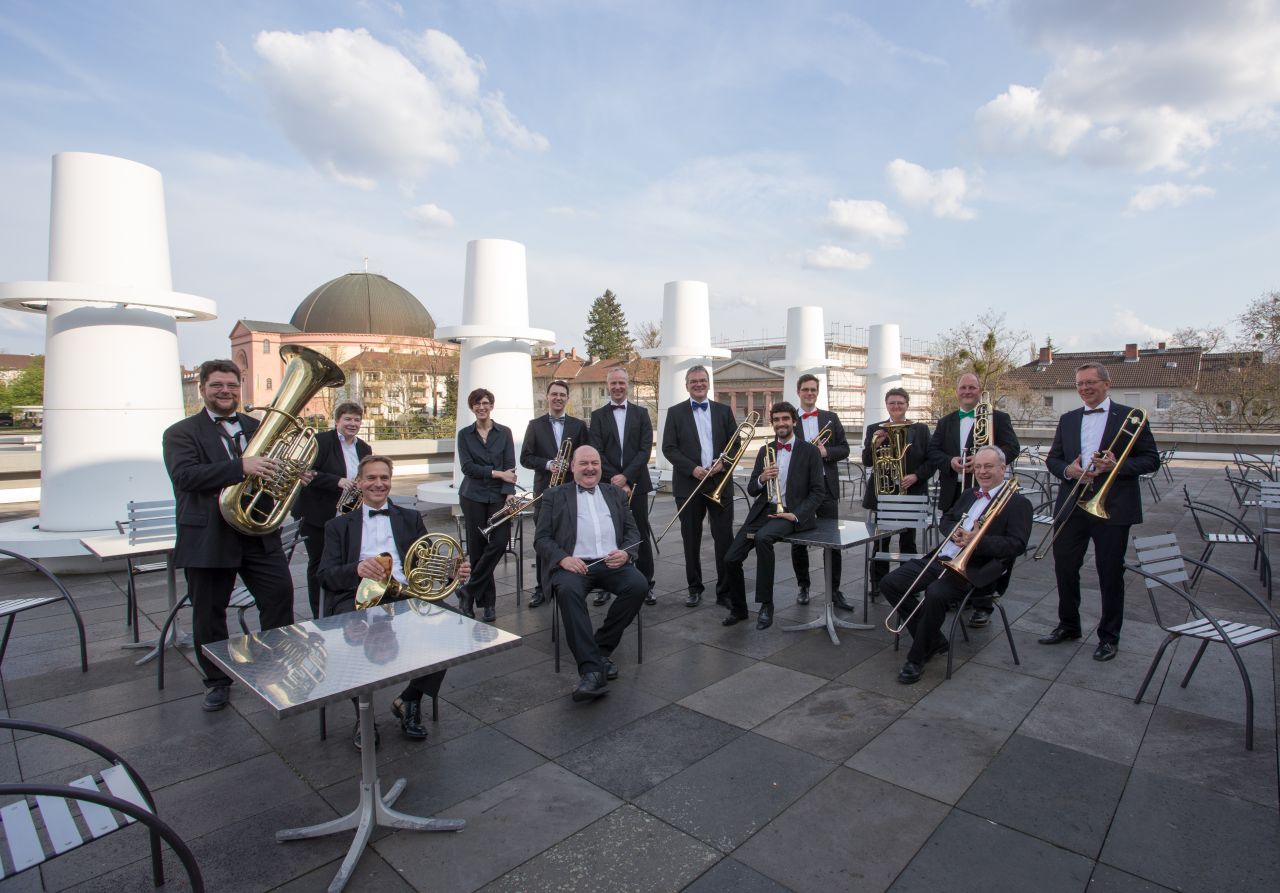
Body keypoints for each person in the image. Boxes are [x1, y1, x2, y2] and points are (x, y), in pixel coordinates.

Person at [162, 359, 295, 713]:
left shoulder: (257, 426)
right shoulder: (180, 433)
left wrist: (294, 475)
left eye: (231, 386)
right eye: (217, 385)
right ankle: (217, 681)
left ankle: (278, 665)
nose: (225, 391)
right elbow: (185, 477)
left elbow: (273, 474)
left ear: (240, 388)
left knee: (279, 597)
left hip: (257, 533)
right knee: (209, 612)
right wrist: (240, 467)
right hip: (209, 535)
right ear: (201, 388)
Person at [318, 455, 471, 747]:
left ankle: (409, 699)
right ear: (359, 483)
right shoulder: (338, 526)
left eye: (384, 478)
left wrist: (454, 569)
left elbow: (429, 560)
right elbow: (325, 576)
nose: (378, 484)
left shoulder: (410, 518)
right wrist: (357, 569)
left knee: (455, 628)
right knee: (352, 639)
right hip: (356, 597)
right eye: (371, 478)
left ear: (391, 481)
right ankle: (363, 717)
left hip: (405, 594)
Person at [880, 445, 1032, 684]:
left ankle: (917, 657)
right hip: (944, 557)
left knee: (936, 594)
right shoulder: (970, 494)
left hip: (976, 569)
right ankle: (933, 640)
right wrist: (955, 532)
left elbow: (1016, 545)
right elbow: (948, 519)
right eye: (978, 466)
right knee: (890, 583)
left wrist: (977, 541)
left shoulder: (1018, 503)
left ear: (1003, 468)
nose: (982, 472)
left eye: (989, 466)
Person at [1039, 363, 1160, 661]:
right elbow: (1053, 459)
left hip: (1113, 506)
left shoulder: (1130, 417)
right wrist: (1068, 469)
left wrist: (1116, 466)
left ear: (1107, 384)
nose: (1084, 388)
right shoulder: (1068, 419)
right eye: (1079, 384)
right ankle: (1068, 625)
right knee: (1064, 567)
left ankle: (1109, 636)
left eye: (1090, 382)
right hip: (1072, 503)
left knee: (1109, 572)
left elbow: (1151, 460)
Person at [535, 445, 648, 702]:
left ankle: (599, 649)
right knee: (568, 592)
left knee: (639, 585)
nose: (590, 468)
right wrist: (563, 558)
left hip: (610, 563)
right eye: (583, 463)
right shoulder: (554, 495)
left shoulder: (615, 494)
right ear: (572, 467)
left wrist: (627, 553)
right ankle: (591, 672)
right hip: (574, 565)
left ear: (601, 466)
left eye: (595, 463)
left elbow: (633, 532)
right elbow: (541, 539)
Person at [926, 372, 1020, 627]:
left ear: (980, 391)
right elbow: (933, 451)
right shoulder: (945, 421)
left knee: (982, 547)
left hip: (986, 493)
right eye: (963, 388)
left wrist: (983, 461)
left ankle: (982, 603)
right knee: (954, 542)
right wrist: (950, 462)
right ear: (957, 391)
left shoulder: (997, 418)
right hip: (955, 491)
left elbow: (1012, 448)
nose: (967, 391)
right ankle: (952, 592)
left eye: (972, 387)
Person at [722, 402, 826, 630]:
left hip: (791, 512)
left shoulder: (809, 452)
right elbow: (751, 488)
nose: (781, 423)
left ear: (794, 422)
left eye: (785, 419)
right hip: (764, 510)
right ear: (772, 423)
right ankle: (739, 609)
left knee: (763, 540)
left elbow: (818, 491)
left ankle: (766, 605)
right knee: (731, 558)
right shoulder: (765, 450)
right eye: (777, 419)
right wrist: (762, 478)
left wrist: (796, 516)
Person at [660, 365, 739, 608]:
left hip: (719, 482)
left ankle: (724, 591)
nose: (698, 384)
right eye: (693, 381)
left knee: (724, 538)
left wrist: (722, 465)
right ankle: (694, 587)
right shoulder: (675, 413)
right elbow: (668, 447)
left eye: (702, 380)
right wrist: (692, 468)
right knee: (690, 539)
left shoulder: (724, 411)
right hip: (689, 484)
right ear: (686, 385)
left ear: (708, 383)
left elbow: (735, 445)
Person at [294, 402, 371, 619]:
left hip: (347, 514)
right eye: (348, 419)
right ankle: (319, 612)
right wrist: (337, 481)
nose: (352, 423)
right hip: (318, 514)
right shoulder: (320, 441)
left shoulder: (364, 448)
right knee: (319, 563)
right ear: (337, 421)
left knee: (346, 563)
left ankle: (341, 606)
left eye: (356, 419)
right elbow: (305, 472)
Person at [588, 367, 655, 605]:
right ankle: (607, 583)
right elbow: (597, 451)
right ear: (608, 385)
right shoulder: (597, 416)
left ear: (628, 385)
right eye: (613, 383)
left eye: (621, 383)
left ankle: (646, 583)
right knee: (608, 533)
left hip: (637, 482)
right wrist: (615, 478)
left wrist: (626, 477)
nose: (617, 387)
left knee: (640, 532)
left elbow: (644, 449)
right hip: (606, 484)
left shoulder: (641, 413)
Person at [520, 380, 589, 608]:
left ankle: (571, 583)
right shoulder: (535, 425)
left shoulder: (578, 425)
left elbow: (585, 455)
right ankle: (542, 588)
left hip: (571, 490)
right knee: (543, 541)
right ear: (547, 397)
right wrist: (549, 464)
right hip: (545, 491)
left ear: (567, 399)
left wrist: (572, 465)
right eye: (554, 394)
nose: (558, 398)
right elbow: (526, 458)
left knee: (571, 538)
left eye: (562, 395)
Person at [862, 387, 933, 594]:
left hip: (911, 492)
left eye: (900, 403)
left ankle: (908, 582)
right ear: (887, 405)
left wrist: (916, 476)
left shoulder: (920, 429)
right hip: (884, 493)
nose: (896, 406)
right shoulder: (876, 428)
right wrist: (876, 444)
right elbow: (867, 461)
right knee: (881, 540)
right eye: (892, 403)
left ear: (907, 405)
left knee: (908, 540)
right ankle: (878, 582)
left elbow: (931, 459)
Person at [790, 373, 852, 609]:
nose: (809, 393)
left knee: (832, 541)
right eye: (805, 389)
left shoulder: (830, 418)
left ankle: (834, 590)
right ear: (799, 392)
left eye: (813, 390)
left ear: (817, 392)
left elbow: (844, 449)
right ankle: (803, 586)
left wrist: (827, 453)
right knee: (798, 541)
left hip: (826, 487)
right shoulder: (789, 418)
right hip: (799, 489)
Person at [456, 387, 516, 623]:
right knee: (478, 550)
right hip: (472, 496)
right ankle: (487, 604)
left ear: (492, 405)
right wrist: (497, 474)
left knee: (499, 543)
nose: (482, 407)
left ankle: (468, 591)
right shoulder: (464, 435)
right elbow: (467, 468)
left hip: (499, 497)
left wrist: (509, 490)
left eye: (485, 403)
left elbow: (510, 466)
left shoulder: (505, 432)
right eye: (477, 404)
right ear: (472, 407)